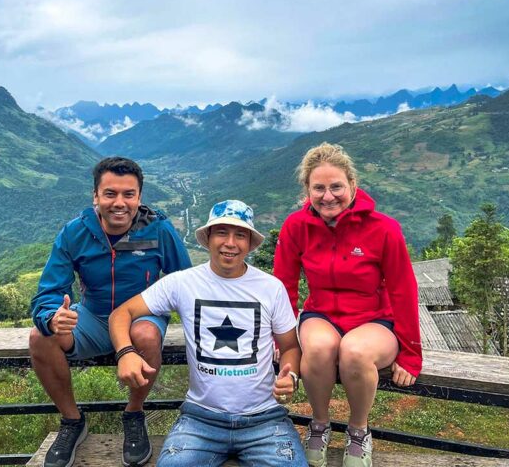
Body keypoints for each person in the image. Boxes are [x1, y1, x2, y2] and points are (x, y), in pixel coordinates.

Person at [109, 200, 307, 466]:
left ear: (249, 243)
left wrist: (290, 374)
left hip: (264, 418)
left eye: (240, 235)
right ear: (208, 238)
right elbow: (121, 314)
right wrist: (126, 353)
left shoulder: (271, 288)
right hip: (200, 418)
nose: (230, 243)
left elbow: (290, 346)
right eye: (222, 233)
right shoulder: (183, 283)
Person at [29, 157, 191, 467]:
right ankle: (72, 421)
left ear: (139, 197)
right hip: (92, 317)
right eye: (110, 194)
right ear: (95, 197)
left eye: (128, 194)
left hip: (141, 316)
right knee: (41, 336)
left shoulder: (158, 228)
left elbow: (184, 280)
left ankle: (133, 413)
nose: (120, 203)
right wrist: (51, 316)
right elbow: (49, 290)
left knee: (145, 334)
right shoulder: (75, 233)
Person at [273, 143, 421, 467]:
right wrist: (279, 340)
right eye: (319, 188)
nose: (328, 196)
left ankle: (358, 430)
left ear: (352, 185)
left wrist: (411, 352)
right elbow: (283, 286)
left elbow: (403, 290)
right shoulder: (296, 227)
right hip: (321, 313)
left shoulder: (384, 229)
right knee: (319, 348)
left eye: (336, 186)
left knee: (354, 351)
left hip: (374, 318)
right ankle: (320, 423)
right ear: (307, 191)